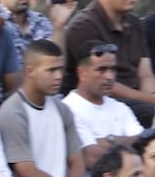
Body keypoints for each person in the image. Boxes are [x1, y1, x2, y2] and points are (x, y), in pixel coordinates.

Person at [63, 0, 155, 126]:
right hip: (100, 101)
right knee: (151, 112)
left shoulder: (136, 23)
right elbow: (106, 83)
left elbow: (145, 74)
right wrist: (154, 100)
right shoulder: (84, 27)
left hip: (138, 100)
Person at [0, 40, 84, 177]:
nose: (58, 76)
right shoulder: (12, 113)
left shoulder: (62, 109)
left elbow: (77, 160)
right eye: (51, 70)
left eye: (60, 69)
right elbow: (27, 173)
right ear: (29, 72)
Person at [61, 41, 143, 170]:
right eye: (101, 70)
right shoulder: (68, 109)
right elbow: (93, 159)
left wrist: (109, 140)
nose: (110, 76)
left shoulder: (120, 107)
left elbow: (144, 145)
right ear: (82, 73)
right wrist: (127, 142)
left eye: (113, 69)